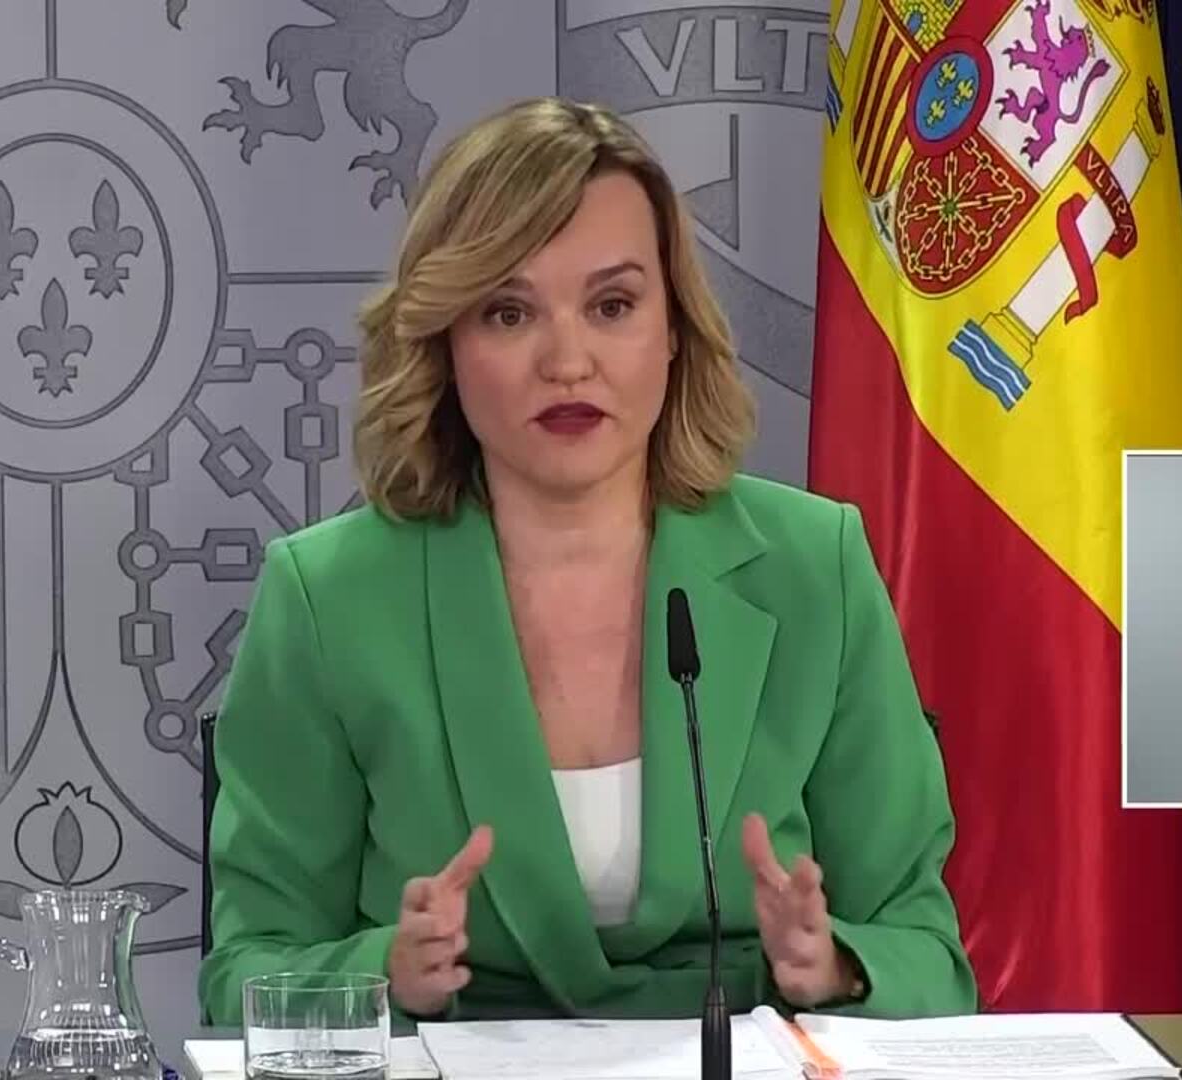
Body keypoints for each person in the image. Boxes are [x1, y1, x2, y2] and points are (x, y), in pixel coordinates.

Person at [199, 96, 975, 1025]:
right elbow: (245, 972)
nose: (567, 361)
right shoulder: (330, 598)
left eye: (612, 306)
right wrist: (385, 973)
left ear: (674, 327)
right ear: (446, 343)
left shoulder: (815, 569)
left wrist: (835, 964)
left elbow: (926, 952)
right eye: (509, 312)